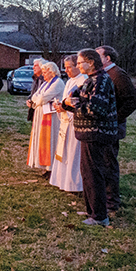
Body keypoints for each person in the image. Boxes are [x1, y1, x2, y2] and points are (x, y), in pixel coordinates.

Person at [63, 49, 118, 226]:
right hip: (86, 134)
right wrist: (70, 103)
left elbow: (96, 109)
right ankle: (92, 211)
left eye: (80, 63)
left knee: (94, 174)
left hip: (96, 134)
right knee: (87, 173)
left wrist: (75, 103)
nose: (78, 66)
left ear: (91, 62)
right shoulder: (89, 81)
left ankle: (100, 216)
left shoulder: (102, 80)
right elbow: (74, 97)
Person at [95, 45, 136, 212]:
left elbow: (134, 100)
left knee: (109, 164)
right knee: (102, 163)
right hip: (103, 128)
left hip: (112, 128)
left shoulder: (118, 75)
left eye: (97, 55)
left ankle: (112, 202)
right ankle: (103, 198)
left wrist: (115, 117)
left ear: (107, 58)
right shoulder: (104, 75)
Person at [50, 55, 87, 192]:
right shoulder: (70, 81)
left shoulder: (83, 81)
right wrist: (59, 106)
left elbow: (78, 102)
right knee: (63, 152)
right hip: (65, 120)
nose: (66, 70)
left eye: (69, 67)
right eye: (65, 68)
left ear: (77, 66)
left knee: (73, 153)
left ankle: (74, 184)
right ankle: (62, 181)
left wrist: (65, 108)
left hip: (74, 121)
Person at [27, 61, 64, 178]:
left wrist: (38, 100)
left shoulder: (57, 83)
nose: (43, 75)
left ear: (51, 72)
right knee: (41, 140)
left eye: (45, 72)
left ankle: (52, 167)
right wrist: (38, 99)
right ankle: (44, 166)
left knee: (50, 140)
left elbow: (42, 98)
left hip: (51, 117)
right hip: (41, 115)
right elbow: (34, 96)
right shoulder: (45, 84)